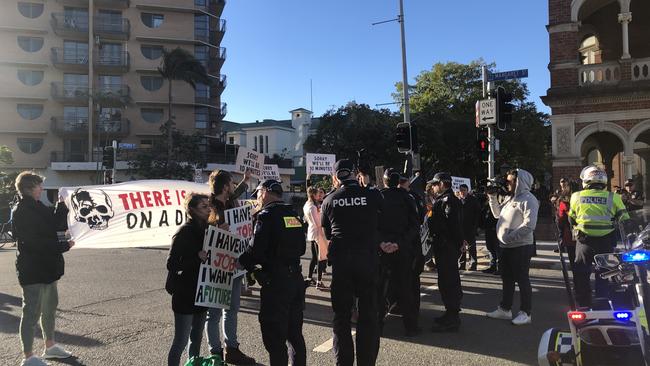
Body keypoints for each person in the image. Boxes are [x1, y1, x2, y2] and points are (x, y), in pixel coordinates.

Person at [321, 159, 384, 366]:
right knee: (368, 316)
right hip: (367, 261)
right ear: (355, 174)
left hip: (342, 264)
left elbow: (328, 232)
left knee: (341, 318)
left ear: (336, 176)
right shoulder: (372, 195)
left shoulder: (329, 199)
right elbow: (383, 222)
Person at [238, 179, 307, 366]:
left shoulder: (266, 216)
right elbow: (301, 248)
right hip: (295, 280)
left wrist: (242, 261)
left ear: (266, 192)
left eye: (258, 194)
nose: (257, 198)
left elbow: (256, 251)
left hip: (276, 283)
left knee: (274, 337)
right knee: (294, 334)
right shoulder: (292, 213)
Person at [12, 171, 74, 366]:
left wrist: (63, 204)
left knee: (49, 309)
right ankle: (28, 356)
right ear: (30, 188)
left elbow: (54, 222)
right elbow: (35, 243)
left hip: (47, 268)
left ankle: (50, 346)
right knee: (31, 313)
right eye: (39, 185)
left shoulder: (37, 206)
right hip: (33, 270)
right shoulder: (22, 211)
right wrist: (65, 246)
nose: (42, 188)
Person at [205, 169, 256, 365]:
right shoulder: (209, 206)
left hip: (234, 264)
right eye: (232, 184)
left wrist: (245, 181)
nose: (233, 187)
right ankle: (215, 352)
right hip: (218, 266)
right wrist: (217, 229)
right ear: (225, 186)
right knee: (215, 313)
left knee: (232, 309)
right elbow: (201, 232)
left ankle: (232, 348)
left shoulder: (230, 202)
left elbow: (237, 194)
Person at [568, 166, 629, 308]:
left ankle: (584, 303)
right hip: (606, 240)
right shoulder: (613, 197)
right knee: (605, 272)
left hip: (584, 240)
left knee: (582, 271)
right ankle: (603, 301)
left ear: (586, 180)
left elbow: (571, 218)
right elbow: (625, 219)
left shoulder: (576, 196)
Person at [486, 169, 539, 326]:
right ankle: (505, 309)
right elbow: (497, 215)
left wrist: (509, 237)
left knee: (522, 279)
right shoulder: (510, 199)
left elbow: (529, 225)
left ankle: (526, 312)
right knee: (507, 278)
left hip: (520, 246)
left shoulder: (529, 199)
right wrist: (491, 198)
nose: (507, 184)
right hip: (506, 246)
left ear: (520, 182)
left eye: (510, 181)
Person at [167, 193, 210, 366]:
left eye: (209, 206)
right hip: (185, 293)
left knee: (197, 339)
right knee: (180, 342)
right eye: (204, 207)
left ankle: (193, 363)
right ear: (191, 210)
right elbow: (172, 264)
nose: (208, 210)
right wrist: (196, 257)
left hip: (201, 292)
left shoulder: (208, 230)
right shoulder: (184, 232)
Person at [378, 168, 420, 336]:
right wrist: (399, 244)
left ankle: (378, 324)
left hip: (382, 250)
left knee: (380, 288)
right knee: (406, 287)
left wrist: (382, 243)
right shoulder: (408, 198)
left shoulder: (377, 197)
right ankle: (411, 327)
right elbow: (414, 226)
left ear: (385, 181)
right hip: (403, 250)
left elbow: (372, 224)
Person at [427, 172, 464, 332]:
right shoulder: (443, 200)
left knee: (449, 281)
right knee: (445, 280)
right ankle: (449, 313)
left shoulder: (448, 200)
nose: (433, 187)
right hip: (443, 246)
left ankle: (453, 316)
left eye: (435, 184)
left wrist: (457, 244)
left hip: (446, 246)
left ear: (442, 184)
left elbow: (453, 226)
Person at [304, 186, 328, 289]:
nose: (318, 196)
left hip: (312, 232)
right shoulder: (312, 207)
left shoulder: (307, 204)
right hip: (318, 233)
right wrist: (321, 214)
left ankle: (309, 278)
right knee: (321, 258)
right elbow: (317, 222)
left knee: (314, 257)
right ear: (313, 195)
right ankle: (319, 281)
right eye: (317, 194)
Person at [458, 184, 480, 271]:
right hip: (460, 227)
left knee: (471, 247)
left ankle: (473, 264)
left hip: (470, 227)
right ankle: (462, 264)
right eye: (461, 190)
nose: (462, 192)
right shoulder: (457, 200)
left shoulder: (473, 200)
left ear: (467, 191)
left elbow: (477, 214)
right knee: (461, 247)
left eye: (464, 190)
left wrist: (476, 226)